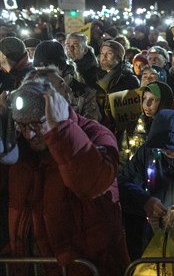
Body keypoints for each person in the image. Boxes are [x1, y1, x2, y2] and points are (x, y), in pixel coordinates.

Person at [6, 80, 129, 275]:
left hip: (86, 268)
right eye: (22, 125)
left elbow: (90, 183)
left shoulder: (95, 135)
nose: (29, 134)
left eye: (37, 123)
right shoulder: (18, 150)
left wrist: (60, 130)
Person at [119, 109, 174, 260]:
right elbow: (124, 183)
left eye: (171, 147)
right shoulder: (148, 152)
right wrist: (145, 200)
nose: (165, 151)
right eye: (161, 147)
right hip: (155, 239)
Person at [33, 40, 100, 121]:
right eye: (38, 69)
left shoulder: (84, 94)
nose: (41, 73)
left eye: (46, 69)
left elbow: (91, 128)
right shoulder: (31, 91)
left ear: (59, 67)